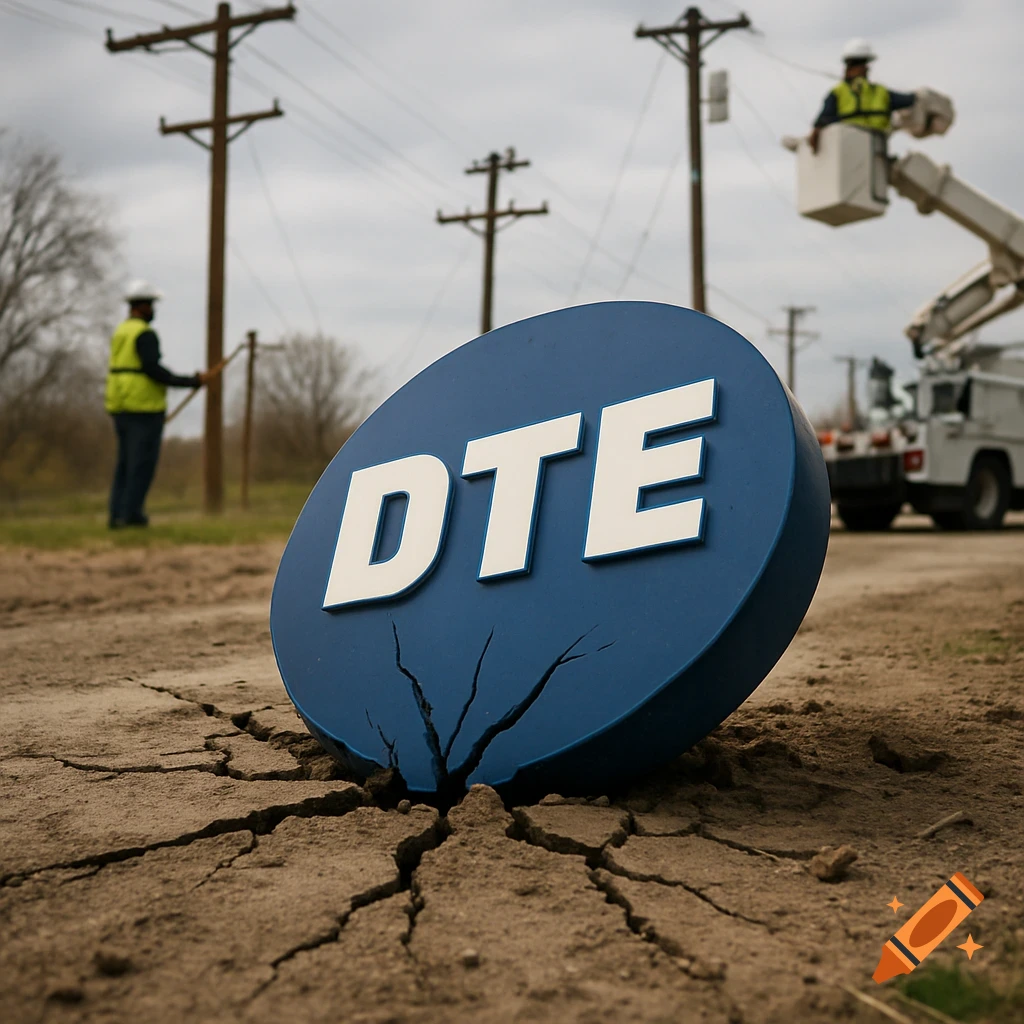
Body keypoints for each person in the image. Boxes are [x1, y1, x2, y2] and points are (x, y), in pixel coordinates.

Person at [104, 280, 206, 528]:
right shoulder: (144, 334)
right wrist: (190, 381)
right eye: (151, 305)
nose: (154, 310)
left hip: (120, 405)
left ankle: (117, 515)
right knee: (141, 464)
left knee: (125, 463)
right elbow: (153, 370)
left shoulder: (121, 331)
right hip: (144, 407)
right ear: (142, 306)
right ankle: (131, 515)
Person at [809, 38, 916, 153]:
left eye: (862, 64)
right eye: (860, 64)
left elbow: (910, 101)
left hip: (873, 148)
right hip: (858, 148)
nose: (864, 68)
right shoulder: (840, 92)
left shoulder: (879, 91)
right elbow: (823, 120)